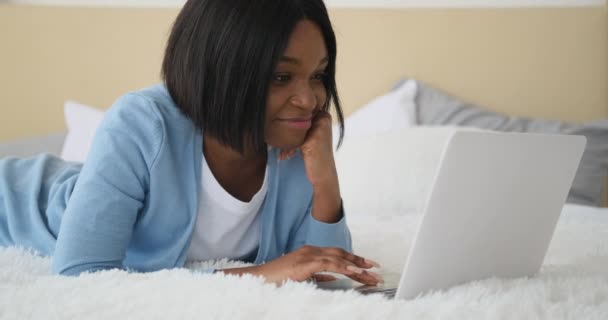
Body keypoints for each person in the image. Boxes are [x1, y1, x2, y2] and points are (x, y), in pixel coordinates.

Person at [0, 0, 382, 285]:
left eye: (318, 75)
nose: (309, 100)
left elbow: (324, 270)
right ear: (220, 71)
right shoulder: (141, 124)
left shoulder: (295, 136)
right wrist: (261, 274)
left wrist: (325, 183)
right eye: (281, 77)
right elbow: (80, 276)